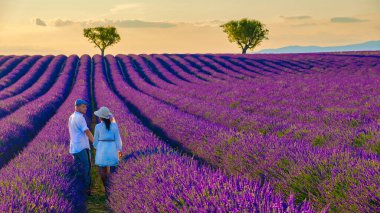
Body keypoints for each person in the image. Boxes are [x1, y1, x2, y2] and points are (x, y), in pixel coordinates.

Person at [93, 106, 122, 192]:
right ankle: (112, 188)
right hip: (112, 148)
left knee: (103, 169)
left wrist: (97, 148)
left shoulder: (98, 126)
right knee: (112, 168)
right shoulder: (114, 126)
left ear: (100, 117)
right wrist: (119, 150)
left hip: (102, 148)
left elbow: (95, 141)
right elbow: (117, 139)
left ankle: (106, 187)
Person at [68, 99, 94, 196]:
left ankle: (78, 189)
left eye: (86, 107)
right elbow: (86, 131)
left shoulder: (71, 117)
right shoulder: (80, 118)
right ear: (77, 106)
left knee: (78, 169)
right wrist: (95, 143)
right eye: (83, 106)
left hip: (74, 148)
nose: (85, 108)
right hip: (82, 147)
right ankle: (87, 190)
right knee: (87, 168)